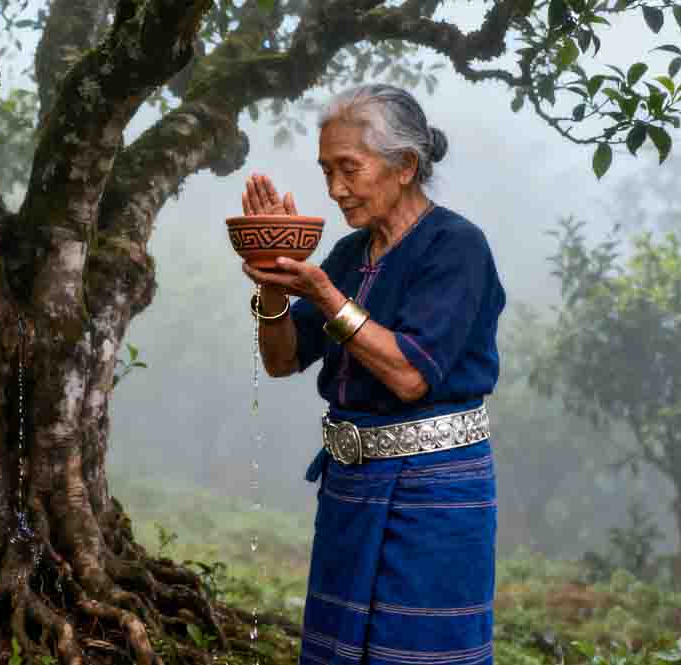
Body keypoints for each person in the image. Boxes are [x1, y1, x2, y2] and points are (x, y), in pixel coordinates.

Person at [241, 83, 506, 665]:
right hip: (350, 483)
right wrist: (271, 281)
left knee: (419, 648)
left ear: (405, 165)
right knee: (339, 649)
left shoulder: (456, 247)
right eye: (325, 171)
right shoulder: (349, 254)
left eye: (348, 169)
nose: (335, 189)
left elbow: (411, 375)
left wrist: (324, 293)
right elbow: (282, 359)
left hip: (435, 488)